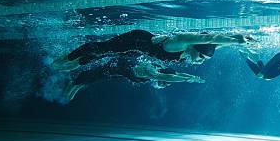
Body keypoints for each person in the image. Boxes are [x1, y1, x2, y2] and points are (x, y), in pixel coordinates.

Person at [53, 29, 252, 71]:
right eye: (200, 58)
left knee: (109, 56)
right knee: (103, 49)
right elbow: (207, 38)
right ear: (193, 47)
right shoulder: (180, 43)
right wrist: (237, 39)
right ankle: (67, 57)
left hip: (139, 51)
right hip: (136, 39)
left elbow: (214, 43)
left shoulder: (194, 50)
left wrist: (236, 40)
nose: (199, 62)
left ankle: (76, 63)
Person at [60, 53, 205, 103]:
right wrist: (186, 79)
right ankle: (70, 81)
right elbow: (172, 77)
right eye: (163, 84)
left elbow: (173, 75)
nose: (160, 86)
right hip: (114, 66)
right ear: (162, 79)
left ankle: (72, 86)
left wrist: (191, 77)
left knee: (87, 80)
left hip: (115, 70)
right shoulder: (152, 73)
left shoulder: (153, 72)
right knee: (83, 80)